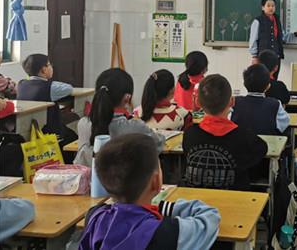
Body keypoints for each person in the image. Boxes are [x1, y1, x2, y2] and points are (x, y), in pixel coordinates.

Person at [79, 133, 220, 250]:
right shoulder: (168, 233)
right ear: (156, 181)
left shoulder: (94, 216)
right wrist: (165, 207)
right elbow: (210, 218)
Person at [183, 74, 267, 190]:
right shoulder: (244, 137)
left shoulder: (190, 134)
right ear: (232, 101)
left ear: (197, 102)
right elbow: (262, 149)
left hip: (196, 198)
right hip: (235, 198)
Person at [75, 68, 165, 167]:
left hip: (87, 176)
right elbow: (158, 144)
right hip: (127, 177)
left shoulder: (83, 123)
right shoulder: (135, 127)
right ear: (127, 98)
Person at [16, 53, 75, 140]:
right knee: (73, 135)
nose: (52, 67)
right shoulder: (50, 87)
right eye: (49, 64)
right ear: (44, 70)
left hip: (28, 131)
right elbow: (69, 88)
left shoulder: (21, 84)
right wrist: (50, 82)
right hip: (50, 132)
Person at [248, 0, 297, 77]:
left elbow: (283, 37)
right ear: (263, 7)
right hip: (263, 57)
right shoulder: (257, 21)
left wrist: (295, 34)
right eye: (268, 5)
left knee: (274, 79)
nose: (271, 8)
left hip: (276, 57)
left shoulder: (277, 20)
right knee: (263, 78)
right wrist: (254, 56)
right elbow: (253, 40)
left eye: (273, 6)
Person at [231, 64, 290, 136]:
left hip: (240, 142)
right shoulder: (275, 104)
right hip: (267, 142)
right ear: (268, 86)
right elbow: (284, 124)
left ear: (244, 84)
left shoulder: (234, 102)